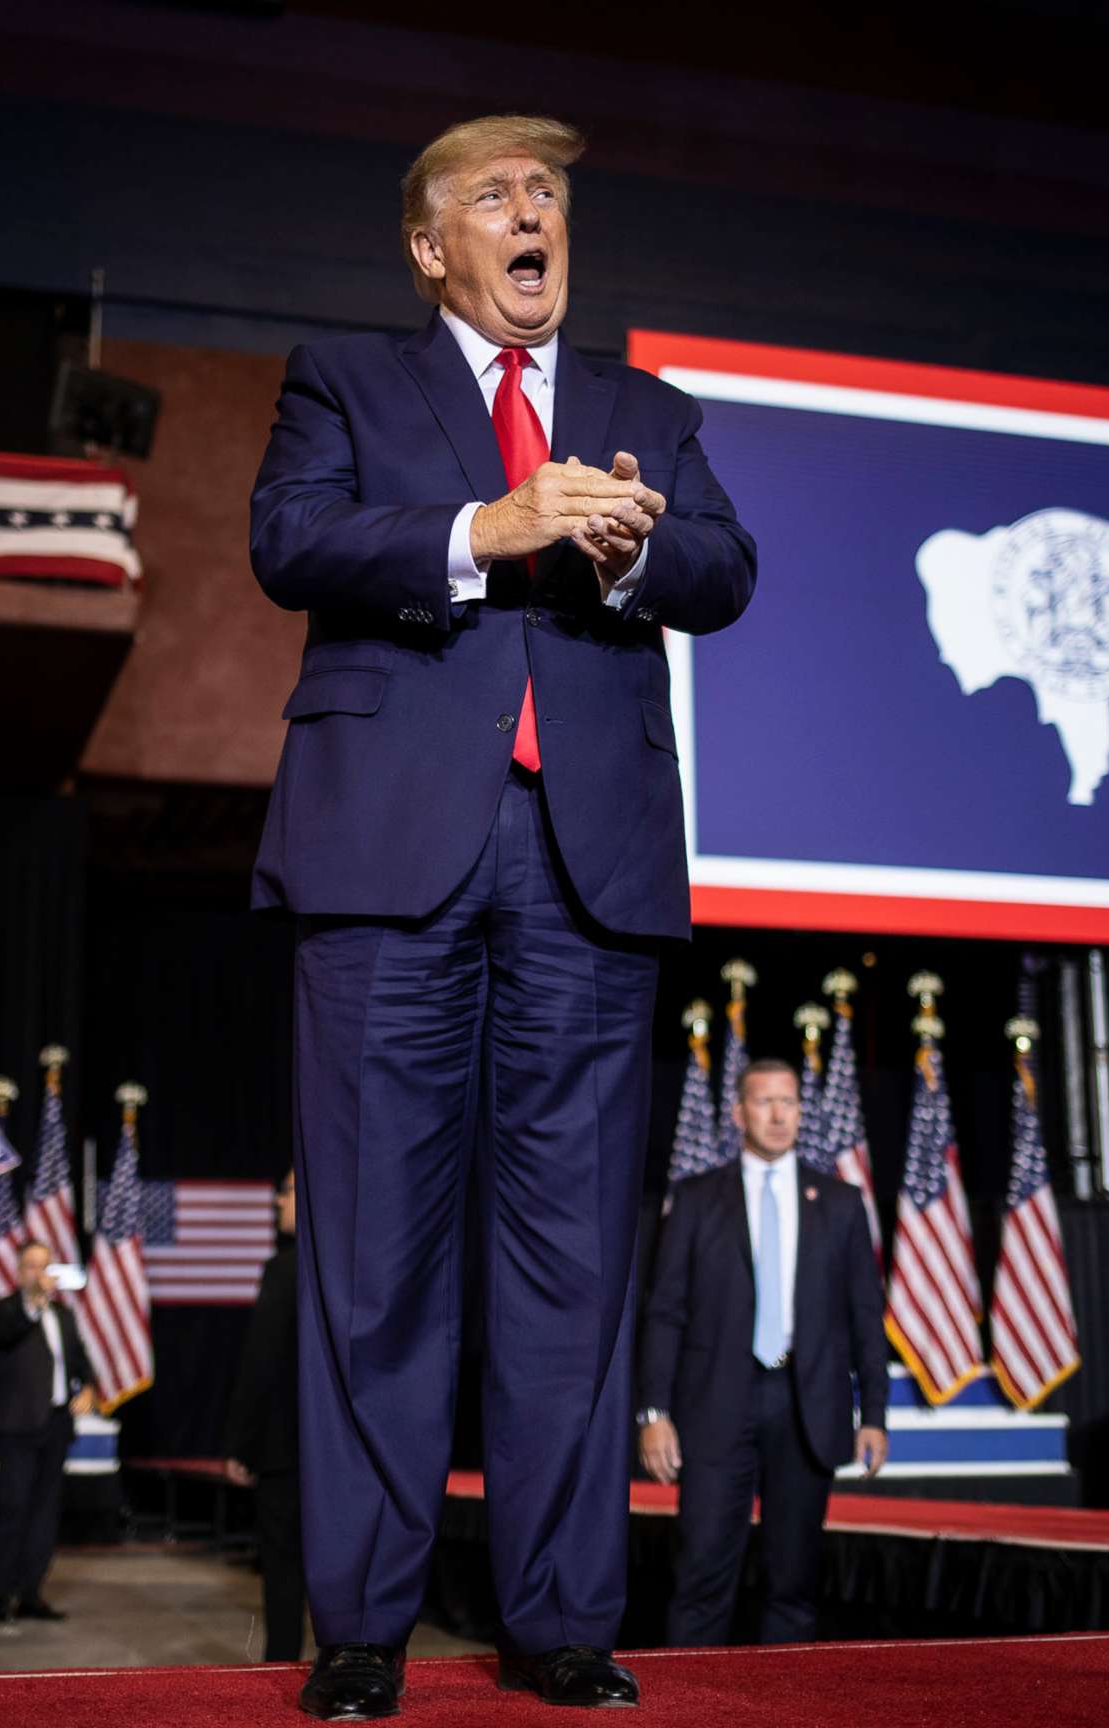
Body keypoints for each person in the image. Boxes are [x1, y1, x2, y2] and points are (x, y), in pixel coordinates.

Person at [248, 112, 755, 1720]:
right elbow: (290, 541)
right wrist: (490, 530)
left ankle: (560, 1620)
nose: (532, 214)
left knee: (571, 1269)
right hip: (386, 864)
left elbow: (729, 571)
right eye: (496, 196)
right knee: (376, 1263)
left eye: (549, 193)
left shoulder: (643, 413)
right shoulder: (345, 379)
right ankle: (361, 1631)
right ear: (430, 246)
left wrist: (628, 543)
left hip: (587, 883)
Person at [635, 1060, 886, 1648]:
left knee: (793, 1584)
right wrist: (653, 1413)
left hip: (806, 1407)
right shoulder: (695, 1199)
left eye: (789, 1102)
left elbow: (866, 1319)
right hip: (718, 1405)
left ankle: (783, 1705)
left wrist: (873, 1413)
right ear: (739, 1112)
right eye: (764, 1102)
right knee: (701, 1576)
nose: (778, 1115)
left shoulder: (842, 1202)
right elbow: (665, 1313)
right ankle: (690, 1708)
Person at [0, 1240, 88, 1625]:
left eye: (44, 1267)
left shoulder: (63, 1315)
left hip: (56, 1423)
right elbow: (5, 1336)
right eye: (31, 1266)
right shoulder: (4, 1310)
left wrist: (89, 1387)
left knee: (46, 1512)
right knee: (14, 1508)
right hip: (16, 1428)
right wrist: (32, 1304)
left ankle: (31, 1592)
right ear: (18, 1271)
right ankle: (2, 1594)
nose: (38, 1273)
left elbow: (78, 1358)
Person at [226, 1168, 304, 1661]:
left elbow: (262, 1361)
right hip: (347, 1450)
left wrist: (240, 1443)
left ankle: (281, 1665)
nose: (277, 1202)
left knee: (284, 1564)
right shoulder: (358, 1267)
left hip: (286, 1449)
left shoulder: (285, 1269)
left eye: (287, 1191)